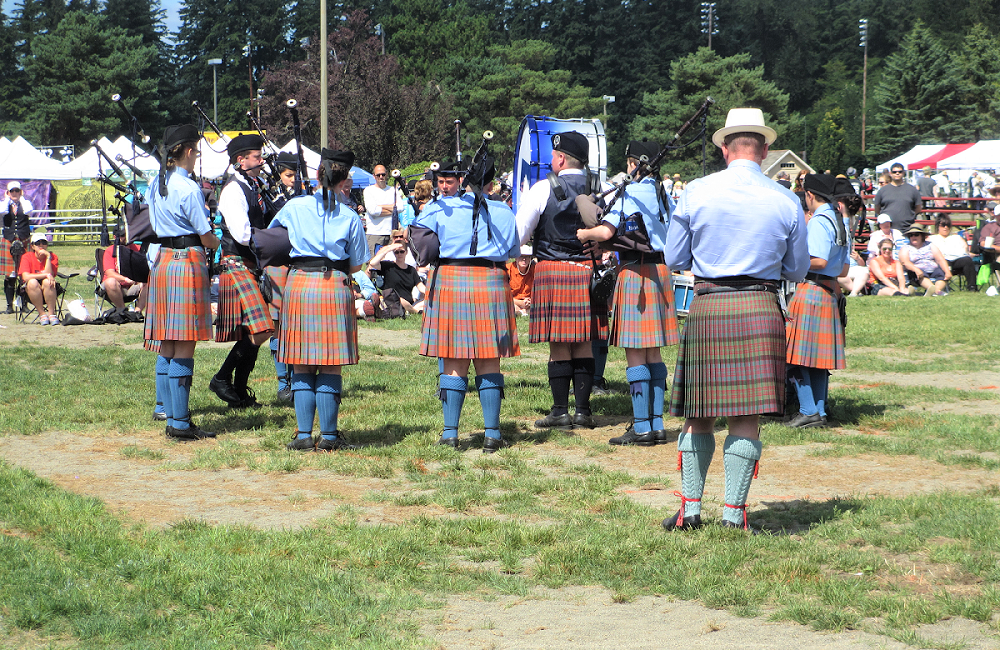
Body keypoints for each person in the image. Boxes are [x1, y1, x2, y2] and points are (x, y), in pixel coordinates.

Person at [661, 107, 809, 533]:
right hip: (761, 307)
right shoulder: (785, 199)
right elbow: (797, 270)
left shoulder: (696, 192)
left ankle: (690, 511)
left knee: (699, 411)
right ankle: (733, 516)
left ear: (725, 149)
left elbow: (674, 258)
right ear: (763, 150)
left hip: (709, 303)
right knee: (747, 415)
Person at [411, 147, 520, 453]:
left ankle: (450, 433)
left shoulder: (437, 208)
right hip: (491, 282)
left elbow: (420, 249)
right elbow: (513, 253)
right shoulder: (503, 210)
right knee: (489, 360)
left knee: (455, 361)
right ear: (491, 182)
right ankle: (492, 434)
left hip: (451, 281)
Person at [576, 139, 679, 447]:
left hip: (635, 273)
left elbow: (606, 231)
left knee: (636, 353)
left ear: (634, 163)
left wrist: (586, 233)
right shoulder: (664, 194)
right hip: (660, 271)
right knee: (654, 354)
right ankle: (658, 425)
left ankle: (642, 426)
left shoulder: (632, 192)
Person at [271, 148, 369, 452]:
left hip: (299, 284)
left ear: (317, 175)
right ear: (344, 181)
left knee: (300, 364)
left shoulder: (293, 207)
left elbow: (272, 240)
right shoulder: (350, 216)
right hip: (335, 286)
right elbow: (356, 265)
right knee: (330, 364)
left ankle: (303, 436)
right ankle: (328, 437)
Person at [515, 130, 602, 430]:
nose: (552, 160)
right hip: (588, 273)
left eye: (554, 156)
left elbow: (519, 234)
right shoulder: (600, 187)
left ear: (562, 157)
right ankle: (583, 412)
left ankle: (559, 411)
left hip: (553, 270)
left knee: (559, 344)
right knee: (584, 344)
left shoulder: (542, 189)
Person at [144, 124, 221, 441]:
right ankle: (179, 423)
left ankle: (165, 409)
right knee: (184, 344)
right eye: (197, 151)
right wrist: (216, 242)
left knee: (167, 341)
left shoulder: (154, 183)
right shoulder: (188, 189)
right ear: (188, 151)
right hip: (186, 261)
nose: (197, 156)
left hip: (162, 260)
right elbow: (204, 234)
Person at [209, 134, 276, 410]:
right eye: (257, 157)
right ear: (241, 160)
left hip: (250, 266)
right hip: (236, 264)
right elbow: (242, 233)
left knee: (254, 331)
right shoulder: (233, 190)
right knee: (261, 330)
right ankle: (221, 378)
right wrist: (273, 240)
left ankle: (238, 392)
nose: (261, 162)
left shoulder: (253, 185)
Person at [785, 173, 849, 429]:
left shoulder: (819, 222)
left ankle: (808, 410)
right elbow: (843, 270)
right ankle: (820, 411)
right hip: (829, 291)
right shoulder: (839, 220)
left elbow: (819, 260)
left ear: (809, 195)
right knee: (819, 358)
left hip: (811, 289)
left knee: (797, 356)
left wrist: (788, 261)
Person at [265, 152, 300, 402]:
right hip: (277, 264)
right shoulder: (269, 198)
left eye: (295, 174)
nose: (293, 179)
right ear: (279, 176)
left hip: (298, 264)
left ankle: (297, 378)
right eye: (289, 175)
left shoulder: (301, 197)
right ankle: (283, 383)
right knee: (277, 325)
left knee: (296, 324)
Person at [368, 230, 426, 314]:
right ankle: (414, 311)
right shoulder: (388, 266)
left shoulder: (411, 270)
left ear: (406, 252)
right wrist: (388, 249)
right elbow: (373, 263)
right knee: (400, 300)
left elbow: (420, 286)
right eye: (396, 252)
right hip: (393, 300)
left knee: (426, 302)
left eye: (402, 251)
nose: (399, 254)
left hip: (410, 303)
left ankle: (411, 310)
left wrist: (431, 294)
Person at [101, 229, 147, 316]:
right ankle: (122, 311)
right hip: (115, 287)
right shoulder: (110, 251)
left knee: (150, 282)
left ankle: (137, 312)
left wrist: (140, 280)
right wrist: (126, 279)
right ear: (115, 237)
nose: (125, 237)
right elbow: (110, 273)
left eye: (127, 235)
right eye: (122, 236)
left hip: (134, 285)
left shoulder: (137, 248)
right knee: (110, 281)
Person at [2, 181, 32, 314]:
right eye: (12, 191)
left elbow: (29, 211)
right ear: (8, 193)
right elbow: (2, 210)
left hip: (23, 239)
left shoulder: (25, 204)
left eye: (17, 191)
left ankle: (23, 304)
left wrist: (22, 198)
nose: (14, 193)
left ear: (21, 192)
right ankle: (9, 305)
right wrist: (6, 199)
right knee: (10, 275)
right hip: (9, 240)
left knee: (24, 274)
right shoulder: (4, 204)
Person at [18, 231, 60, 324]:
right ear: (32, 246)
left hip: (49, 287)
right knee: (33, 282)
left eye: (44, 242)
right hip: (31, 289)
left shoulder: (53, 256)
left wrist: (48, 257)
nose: (41, 245)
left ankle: (51, 314)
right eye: (38, 243)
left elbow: (50, 274)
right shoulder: (26, 257)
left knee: (47, 282)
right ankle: (42, 314)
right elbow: (26, 276)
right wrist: (45, 275)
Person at [928, 214, 976, 291]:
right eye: (943, 225)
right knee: (943, 263)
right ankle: (942, 287)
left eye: (948, 225)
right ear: (938, 226)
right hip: (942, 260)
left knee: (968, 260)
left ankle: (972, 287)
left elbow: (965, 249)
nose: (946, 227)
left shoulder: (957, 237)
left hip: (957, 259)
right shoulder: (932, 239)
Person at [362, 164, 402, 255]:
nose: (381, 177)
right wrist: (393, 208)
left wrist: (380, 206)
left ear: (387, 174)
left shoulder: (393, 190)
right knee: (374, 265)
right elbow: (373, 211)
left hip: (392, 233)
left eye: (383, 174)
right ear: (374, 176)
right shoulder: (368, 190)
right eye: (378, 175)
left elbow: (400, 207)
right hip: (375, 234)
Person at [900, 224, 950, 296]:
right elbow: (905, 262)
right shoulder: (906, 248)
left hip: (933, 268)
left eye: (916, 235)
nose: (913, 237)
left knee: (942, 272)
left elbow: (940, 259)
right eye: (911, 235)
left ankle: (935, 291)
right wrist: (916, 269)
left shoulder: (930, 245)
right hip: (917, 271)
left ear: (922, 236)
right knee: (918, 274)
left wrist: (947, 271)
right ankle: (936, 292)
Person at [873, 163, 921, 232]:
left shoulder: (912, 190)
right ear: (890, 173)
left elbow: (918, 208)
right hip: (887, 230)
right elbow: (877, 209)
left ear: (903, 173)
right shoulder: (882, 190)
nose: (897, 173)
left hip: (906, 229)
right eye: (894, 172)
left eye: (900, 172)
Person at [507, 244, 535, 317]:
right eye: (521, 256)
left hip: (529, 302)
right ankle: (521, 311)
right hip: (513, 301)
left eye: (527, 257)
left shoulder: (534, 270)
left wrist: (531, 301)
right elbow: (504, 295)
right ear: (516, 258)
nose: (524, 259)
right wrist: (520, 303)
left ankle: (521, 312)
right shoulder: (508, 269)